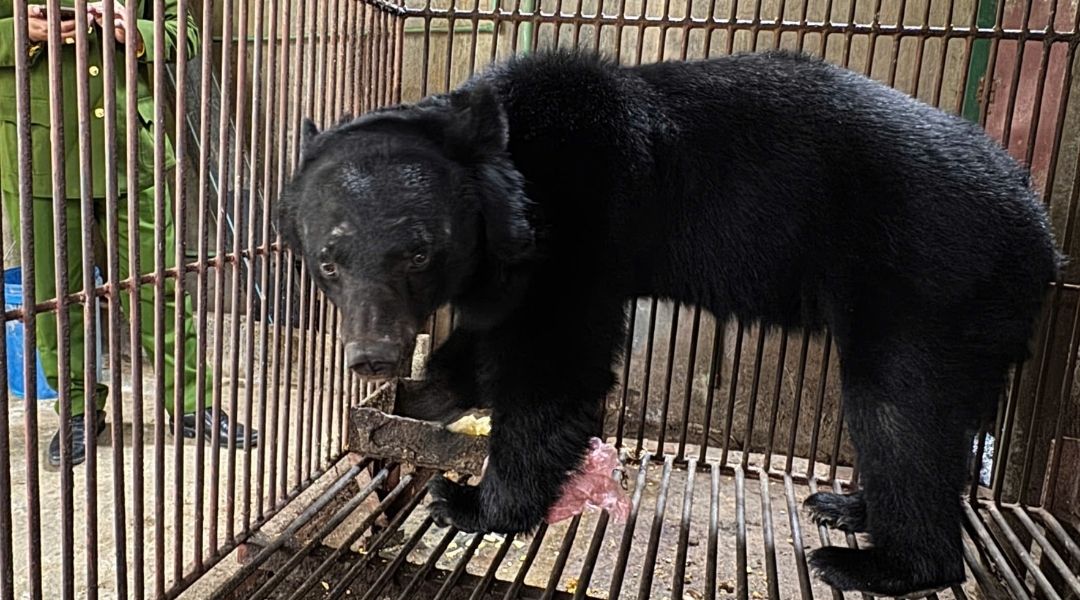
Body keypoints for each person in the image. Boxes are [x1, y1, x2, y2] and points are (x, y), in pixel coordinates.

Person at [0, 1, 257, 467]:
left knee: (161, 286)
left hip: (130, 147)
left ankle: (190, 402)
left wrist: (137, 33)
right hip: (37, 151)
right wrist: (23, 32)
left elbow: (187, 32)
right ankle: (78, 410)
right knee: (57, 295)